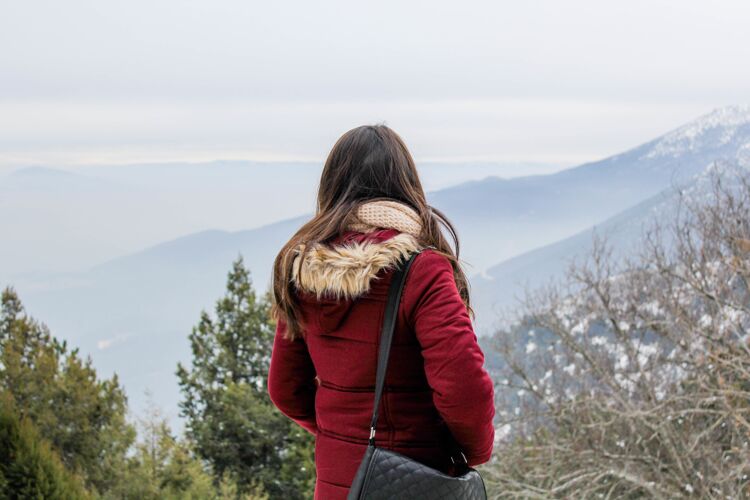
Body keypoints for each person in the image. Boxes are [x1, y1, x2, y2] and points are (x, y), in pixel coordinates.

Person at [268, 124, 495, 499]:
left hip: (338, 487)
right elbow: (465, 390)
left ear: (333, 186)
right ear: (406, 185)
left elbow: (285, 389)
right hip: (418, 482)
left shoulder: (300, 270)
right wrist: (472, 452)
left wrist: (340, 432)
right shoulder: (422, 269)